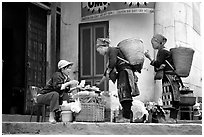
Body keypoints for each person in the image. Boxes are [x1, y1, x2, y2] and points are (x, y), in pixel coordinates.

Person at [96, 38, 140, 123]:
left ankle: (126, 117)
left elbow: (112, 63)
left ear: (102, 47)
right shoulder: (111, 53)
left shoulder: (113, 50)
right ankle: (127, 115)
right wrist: (100, 83)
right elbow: (107, 71)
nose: (100, 53)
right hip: (122, 73)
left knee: (125, 94)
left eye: (99, 51)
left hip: (125, 72)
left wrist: (108, 72)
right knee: (122, 94)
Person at [144, 34, 185, 123]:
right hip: (171, 77)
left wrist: (149, 57)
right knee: (172, 96)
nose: (152, 45)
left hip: (169, 77)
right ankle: (172, 118)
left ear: (159, 43)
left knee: (171, 96)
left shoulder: (162, 51)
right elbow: (158, 66)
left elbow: (157, 64)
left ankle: (172, 118)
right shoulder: (163, 51)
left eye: (153, 42)